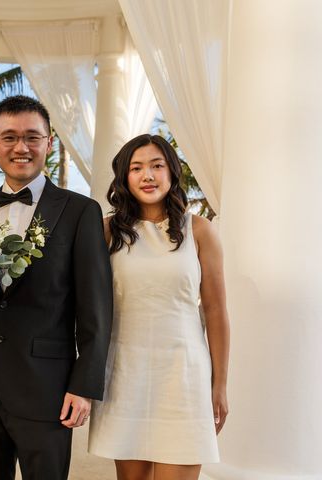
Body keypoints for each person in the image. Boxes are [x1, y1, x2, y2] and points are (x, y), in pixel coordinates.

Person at [0, 95, 112, 479]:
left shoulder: (81, 211)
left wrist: (84, 386)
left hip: (49, 389)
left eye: (32, 136)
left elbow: (96, 308)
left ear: (49, 142)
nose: (21, 147)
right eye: (9, 137)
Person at [88, 134, 230, 480]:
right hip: (124, 373)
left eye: (156, 165)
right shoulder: (107, 232)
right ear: (124, 177)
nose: (147, 175)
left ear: (172, 172)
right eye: (136, 168)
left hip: (182, 376)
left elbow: (215, 312)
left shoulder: (200, 231)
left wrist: (220, 384)